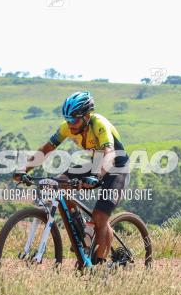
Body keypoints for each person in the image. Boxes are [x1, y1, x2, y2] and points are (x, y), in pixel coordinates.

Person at [15, 91, 129, 265]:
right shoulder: (66, 127)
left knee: (100, 217)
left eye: (74, 120)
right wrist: (24, 169)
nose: (70, 124)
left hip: (116, 167)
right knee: (58, 184)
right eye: (67, 119)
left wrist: (96, 176)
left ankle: (97, 266)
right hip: (95, 164)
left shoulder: (99, 124)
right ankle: (82, 229)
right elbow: (46, 150)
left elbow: (109, 153)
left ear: (87, 116)